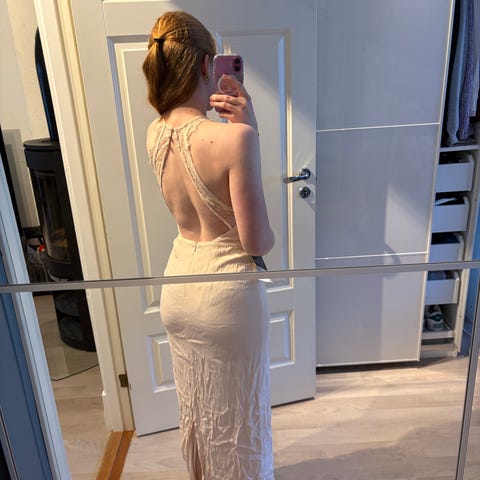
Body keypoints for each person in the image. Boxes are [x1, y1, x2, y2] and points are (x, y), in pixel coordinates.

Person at [142, 10, 275, 480]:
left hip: (179, 287)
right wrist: (250, 127)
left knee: (198, 412)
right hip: (227, 296)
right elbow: (257, 240)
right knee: (240, 421)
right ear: (206, 66)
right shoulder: (235, 138)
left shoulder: (155, 133)